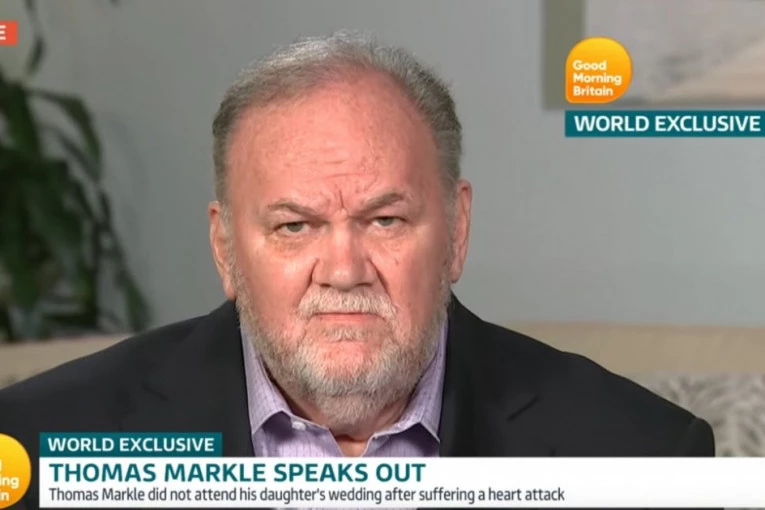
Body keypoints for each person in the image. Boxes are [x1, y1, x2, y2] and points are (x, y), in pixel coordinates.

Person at [0, 30, 714, 508]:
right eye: (294, 226)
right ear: (225, 249)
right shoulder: (38, 444)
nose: (343, 270)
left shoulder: (641, 458)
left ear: (456, 230)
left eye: (385, 220)